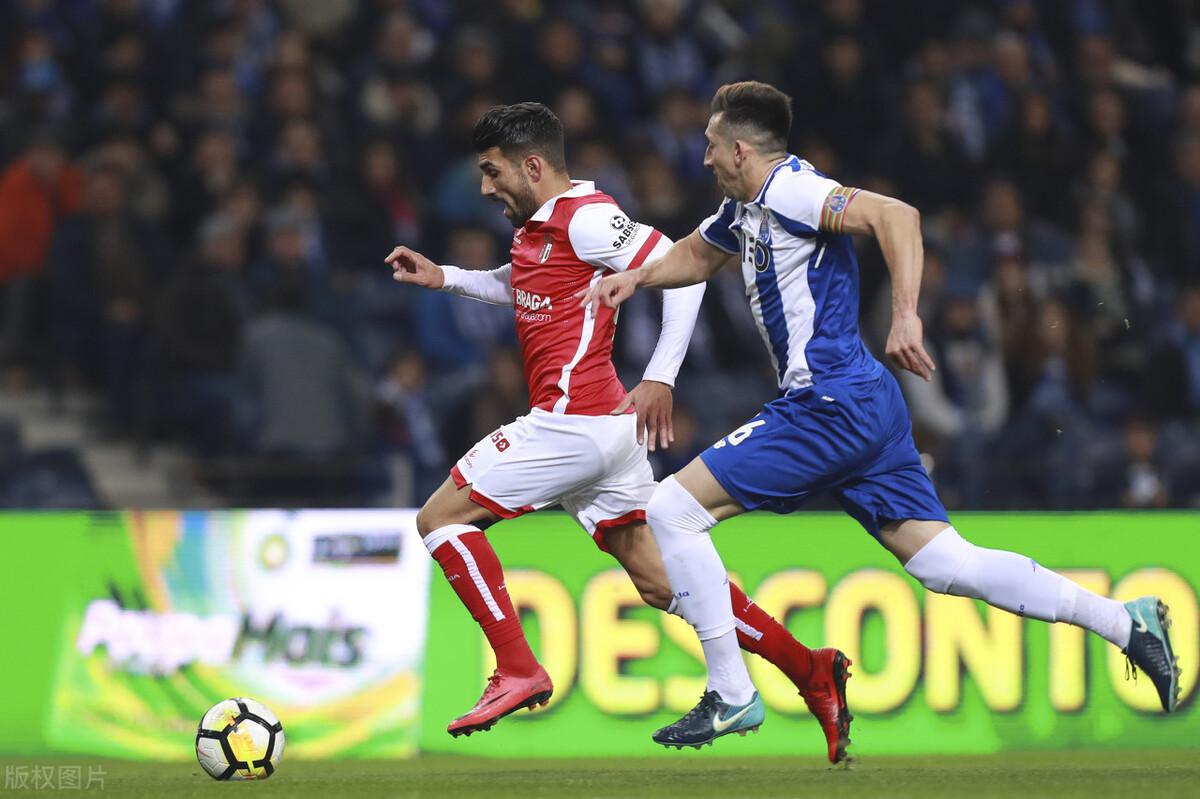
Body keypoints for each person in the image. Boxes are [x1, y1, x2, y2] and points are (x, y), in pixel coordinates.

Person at [580, 81, 1181, 750]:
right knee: (946, 564)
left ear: (741, 150)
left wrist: (905, 315)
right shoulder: (744, 207)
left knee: (671, 510)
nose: (704, 158)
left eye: (711, 146)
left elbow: (898, 216)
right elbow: (694, 255)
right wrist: (636, 279)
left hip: (827, 403)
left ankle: (732, 691)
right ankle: (1126, 623)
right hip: (863, 402)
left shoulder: (793, 191)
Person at [385, 102, 853, 762]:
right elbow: (527, 286)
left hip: (571, 427)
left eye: (492, 172)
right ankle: (810, 669)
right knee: (662, 583)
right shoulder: (539, 227)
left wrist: (660, 375)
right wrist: (446, 278)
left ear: (533, 166)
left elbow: (682, 273)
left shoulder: (588, 218)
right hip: (605, 432)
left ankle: (517, 666)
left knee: (440, 520)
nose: (485, 188)